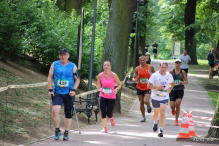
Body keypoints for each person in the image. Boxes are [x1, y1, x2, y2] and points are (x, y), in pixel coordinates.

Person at [48, 48, 80, 140]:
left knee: (68, 113)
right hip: (57, 92)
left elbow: (78, 80)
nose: (63, 56)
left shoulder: (73, 66)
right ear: (59, 56)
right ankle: (57, 130)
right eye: (61, 55)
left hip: (69, 93)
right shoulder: (54, 64)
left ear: (68, 56)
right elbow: (50, 77)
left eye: (65, 55)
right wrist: (50, 90)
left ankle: (66, 132)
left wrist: (74, 90)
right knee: (55, 111)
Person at [147, 62, 174, 137]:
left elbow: (172, 83)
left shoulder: (169, 75)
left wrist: (170, 88)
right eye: (162, 67)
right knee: (156, 113)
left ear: (167, 68)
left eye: (164, 67)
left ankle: (161, 130)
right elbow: (148, 86)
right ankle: (155, 122)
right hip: (155, 97)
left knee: (162, 112)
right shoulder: (154, 75)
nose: (163, 69)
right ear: (159, 67)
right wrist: (158, 87)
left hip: (164, 97)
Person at [96, 61, 122, 133]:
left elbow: (119, 84)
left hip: (111, 97)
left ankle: (111, 118)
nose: (106, 66)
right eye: (105, 65)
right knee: (103, 112)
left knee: (109, 113)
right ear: (103, 66)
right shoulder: (100, 75)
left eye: (107, 65)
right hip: (102, 96)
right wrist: (98, 86)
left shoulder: (113, 75)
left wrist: (116, 89)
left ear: (110, 67)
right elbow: (98, 84)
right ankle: (105, 128)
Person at [132, 55, 155, 122]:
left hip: (148, 87)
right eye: (141, 60)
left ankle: (148, 104)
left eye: (143, 60)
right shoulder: (137, 68)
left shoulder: (150, 67)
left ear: (146, 60)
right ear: (139, 61)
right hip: (139, 87)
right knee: (141, 102)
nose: (142, 61)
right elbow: (134, 77)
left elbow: (155, 74)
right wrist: (134, 79)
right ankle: (143, 117)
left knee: (145, 101)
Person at [169, 59, 188, 126]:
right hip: (172, 90)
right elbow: (167, 79)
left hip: (180, 90)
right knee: (172, 106)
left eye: (179, 63)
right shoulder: (171, 71)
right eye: (176, 63)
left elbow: (186, 81)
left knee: (178, 104)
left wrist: (183, 82)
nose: (177, 64)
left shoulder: (182, 72)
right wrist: (171, 83)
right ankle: (173, 109)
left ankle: (176, 119)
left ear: (180, 64)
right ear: (175, 64)